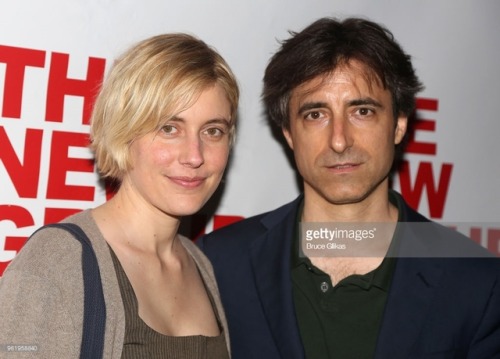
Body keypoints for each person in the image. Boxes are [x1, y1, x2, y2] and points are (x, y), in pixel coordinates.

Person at [198, 17, 500, 358]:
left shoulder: (478, 283)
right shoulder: (218, 264)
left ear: (399, 124)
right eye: (316, 115)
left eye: (363, 111)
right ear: (288, 133)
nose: (339, 141)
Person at [0, 33, 239, 358]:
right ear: (124, 132)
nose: (194, 155)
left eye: (213, 131)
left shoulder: (199, 265)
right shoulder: (56, 262)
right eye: (169, 128)